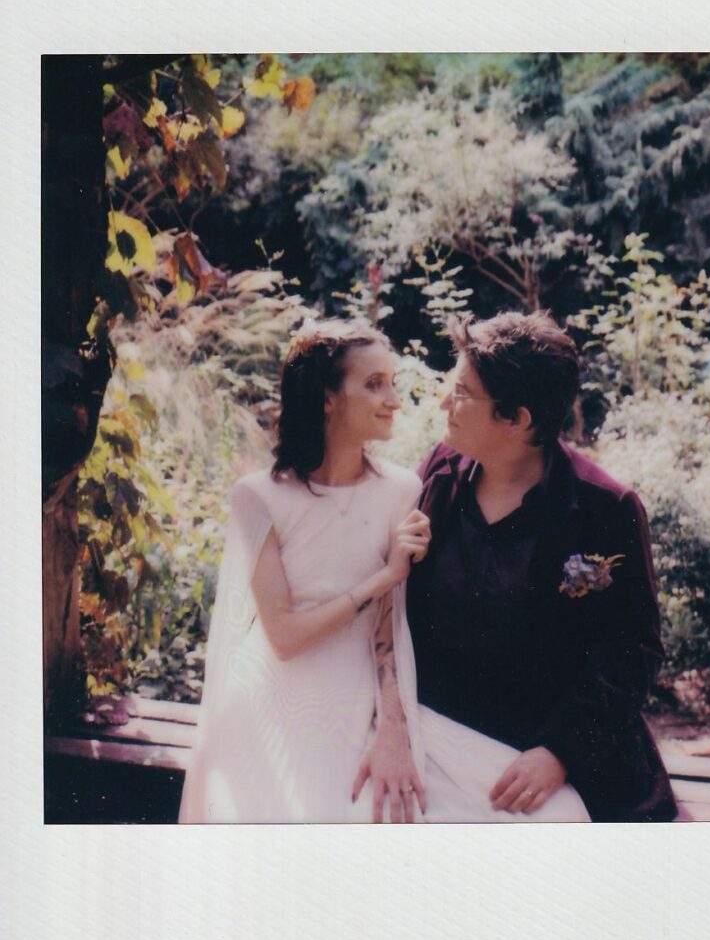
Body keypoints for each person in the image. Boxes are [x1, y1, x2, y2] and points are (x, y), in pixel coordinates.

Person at [179, 318, 589, 823]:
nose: (394, 399)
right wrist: (383, 577)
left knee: (556, 815)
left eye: (392, 382)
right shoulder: (258, 496)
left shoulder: (403, 490)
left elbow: (390, 629)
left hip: (370, 695)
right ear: (327, 397)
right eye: (374, 384)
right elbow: (282, 637)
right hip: (281, 701)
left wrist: (395, 730)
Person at [407, 311, 677, 823]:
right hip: (445, 740)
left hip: (555, 753)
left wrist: (560, 753)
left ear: (517, 419)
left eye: (462, 393)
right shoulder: (438, 474)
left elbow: (632, 650)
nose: (444, 402)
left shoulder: (603, 508)